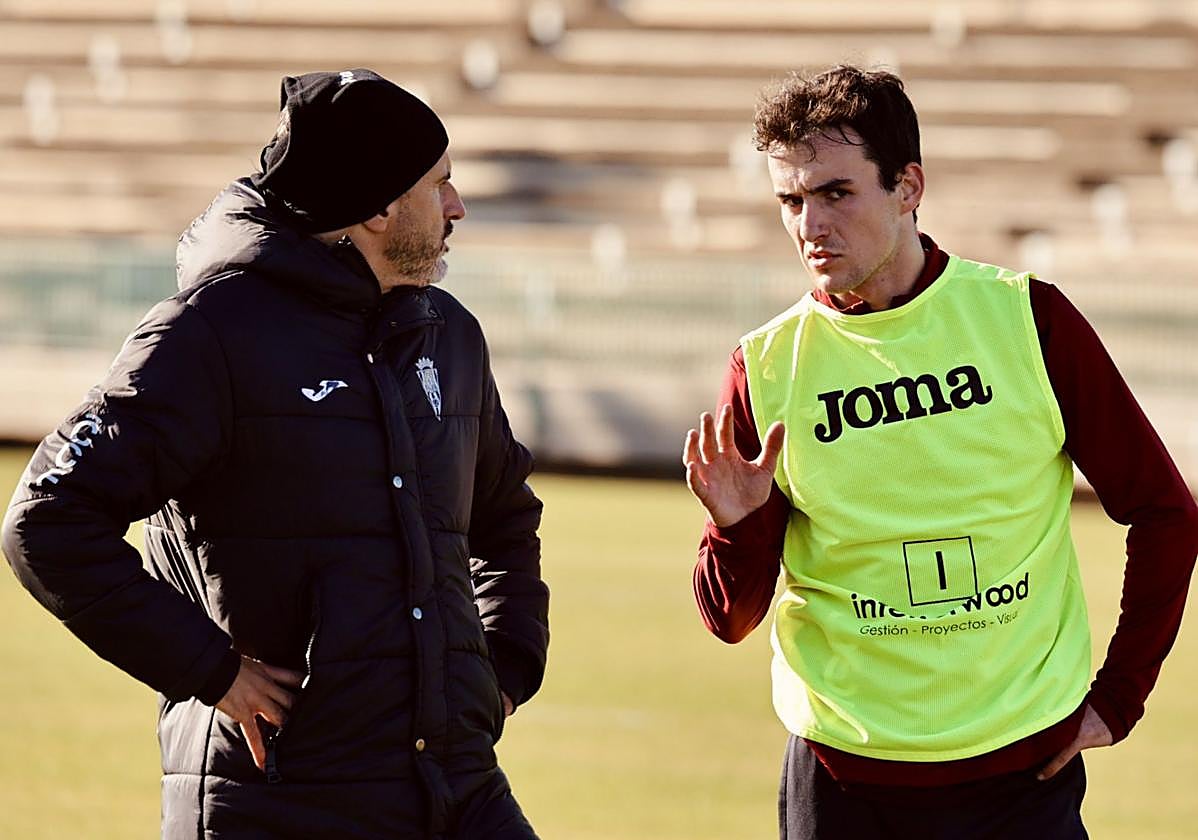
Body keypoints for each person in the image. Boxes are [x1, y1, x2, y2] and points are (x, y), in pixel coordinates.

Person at [3, 69, 549, 839]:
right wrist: (212, 670)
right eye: (440, 183)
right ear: (377, 207)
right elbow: (47, 520)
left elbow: (503, 514)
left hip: (457, 786)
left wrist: (507, 663)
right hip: (280, 799)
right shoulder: (209, 334)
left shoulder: (449, 335)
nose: (457, 206)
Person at [683, 65, 1198, 839]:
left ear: (908, 187)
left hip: (1022, 779)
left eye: (835, 193)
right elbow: (730, 619)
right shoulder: (764, 367)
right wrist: (735, 528)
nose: (810, 225)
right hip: (844, 786)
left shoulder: (1029, 321)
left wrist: (1119, 698)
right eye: (790, 200)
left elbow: (1165, 513)